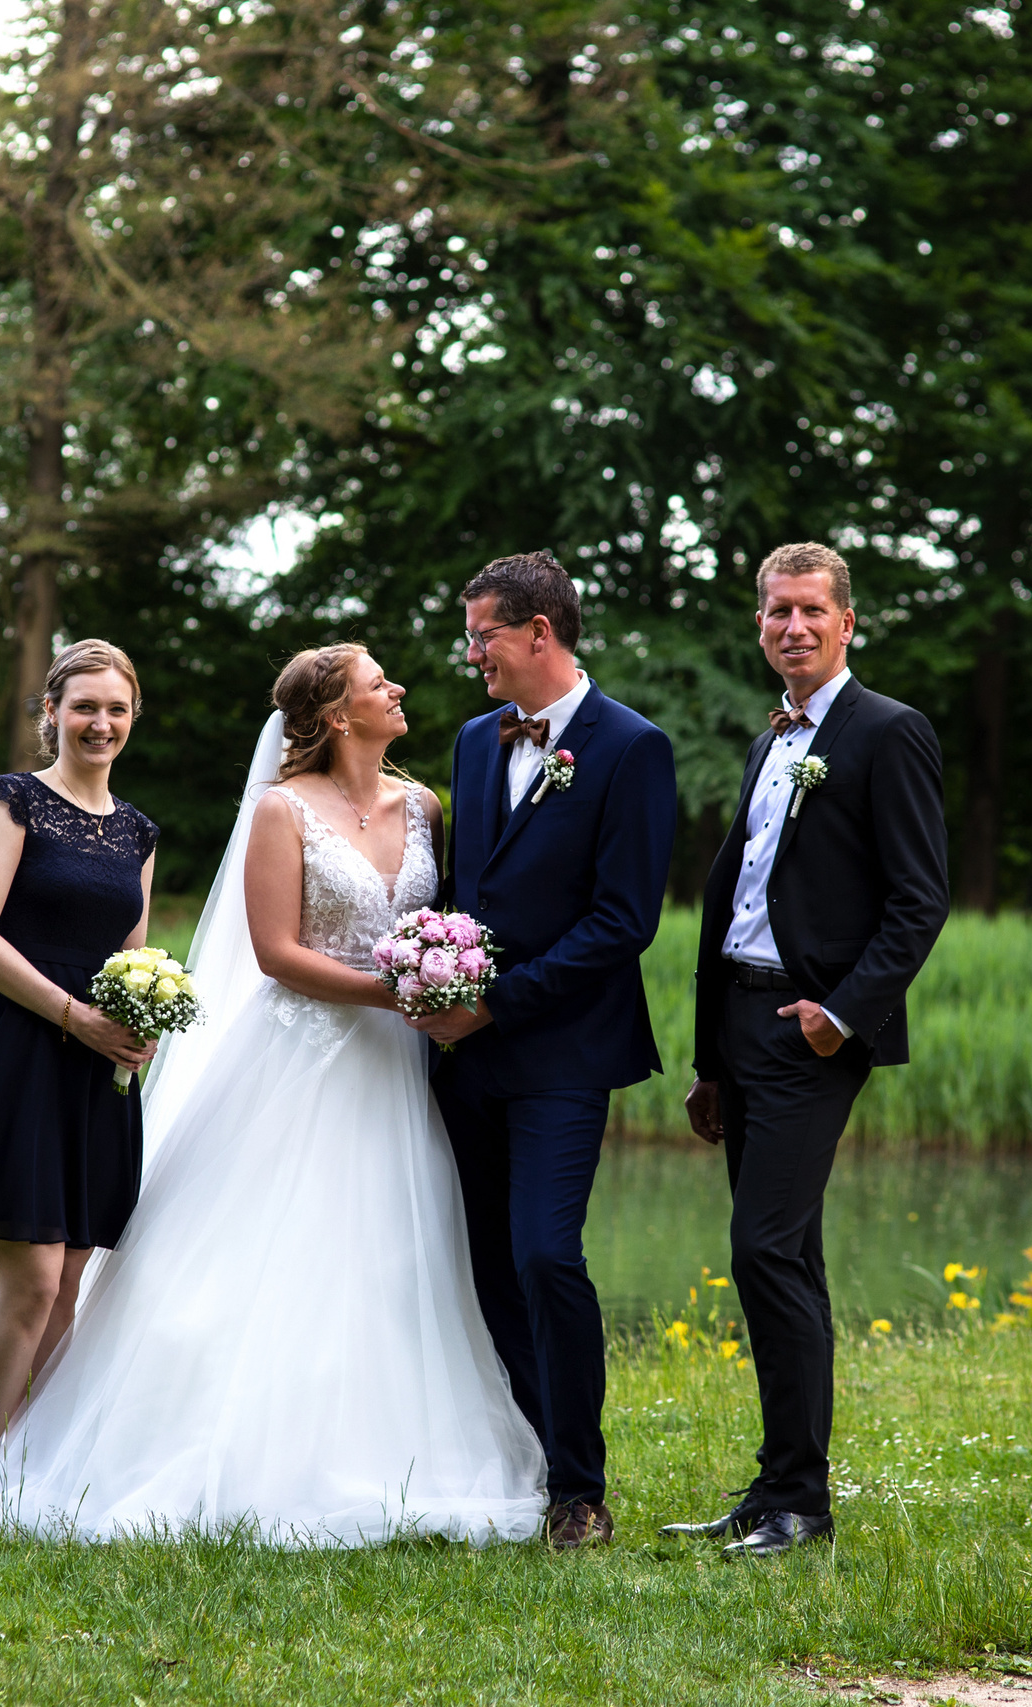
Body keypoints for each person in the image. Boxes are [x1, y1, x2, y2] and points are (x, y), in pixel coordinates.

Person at [0, 644, 547, 1546]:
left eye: (118, 708)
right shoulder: (267, 809)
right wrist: (395, 991)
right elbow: (273, 952)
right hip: (248, 1057)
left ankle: (365, 1443)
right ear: (335, 713)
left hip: (383, 1069)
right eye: (378, 682)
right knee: (85, 1275)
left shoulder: (422, 808)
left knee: (378, 1256)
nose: (398, 688)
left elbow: (137, 947)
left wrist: (440, 976)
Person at [661, 542, 947, 1558]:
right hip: (740, 1025)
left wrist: (843, 1014)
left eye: (812, 610)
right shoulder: (767, 740)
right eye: (778, 611)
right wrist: (708, 1060)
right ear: (759, 624)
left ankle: (801, 1501)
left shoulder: (889, 731)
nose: (794, 626)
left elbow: (919, 900)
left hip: (810, 1030)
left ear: (846, 622)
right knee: (785, 1256)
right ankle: (779, 1489)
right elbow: (735, 900)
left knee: (764, 1248)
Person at [420, 549, 678, 1550]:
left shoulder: (632, 747)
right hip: (463, 1059)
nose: (471, 654)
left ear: (538, 632)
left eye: (481, 634)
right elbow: (465, 893)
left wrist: (496, 1004)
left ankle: (581, 1490)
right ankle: (525, 1464)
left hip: (563, 1055)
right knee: (487, 1264)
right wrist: (434, 979)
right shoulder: (474, 741)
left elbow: (622, 921)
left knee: (543, 1253)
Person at [0, 639, 162, 1504]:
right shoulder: (13, 802)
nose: (101, 723)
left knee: (71, 1281)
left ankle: (22, 1473)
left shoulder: (138, 831)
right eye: (84, 706)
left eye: (116, 708)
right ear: (51, 712)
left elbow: (131, 955)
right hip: (21, 1051)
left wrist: (141, 1018)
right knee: (33, 1278)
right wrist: (72, 1015)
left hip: (98, 1072)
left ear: (132, 717)